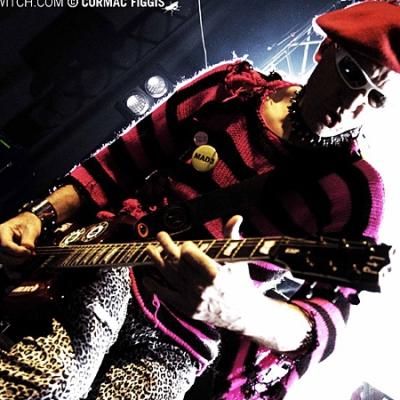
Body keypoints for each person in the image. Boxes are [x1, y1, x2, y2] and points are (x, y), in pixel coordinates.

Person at [0, 1, 399, 399]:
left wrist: (245, 312)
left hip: (181, 343)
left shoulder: (357, 190)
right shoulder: (229, 91)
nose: (352, 103)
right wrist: (37, 217)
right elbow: (117, 164)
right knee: (49, 382)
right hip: (111, 265)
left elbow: (328, 320)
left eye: (376, 97)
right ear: (325, 49)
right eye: (351, 73)